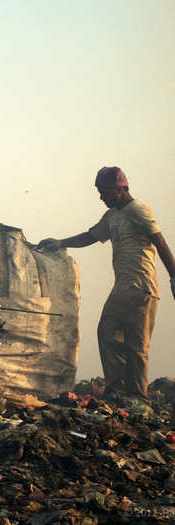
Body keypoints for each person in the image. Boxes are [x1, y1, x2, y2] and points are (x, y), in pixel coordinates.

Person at [38, 167, 175, 412]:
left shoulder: (138, 210)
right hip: (122, 287)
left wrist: (174, 275)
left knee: (137, 345)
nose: (101, 197)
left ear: (120, 189)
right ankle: (117, 389)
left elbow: (160, 242)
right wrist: (60, 242)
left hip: (142, 286)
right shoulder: (112, 215)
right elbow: (90, 236)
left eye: (104, 191)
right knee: (107, 332)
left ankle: (138, 397)